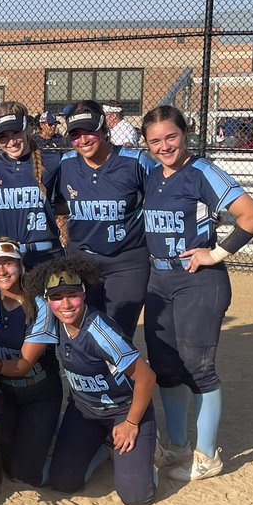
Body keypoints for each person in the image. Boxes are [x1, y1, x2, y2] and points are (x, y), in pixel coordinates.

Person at [140, 105, 253, 482]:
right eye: (155, 141)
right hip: (158, 282)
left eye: (171, 137)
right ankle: (176, 445)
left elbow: (252, 216)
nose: (164, 146)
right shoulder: (151, 174)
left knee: (198, 368)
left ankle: (207, 454)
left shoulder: (202, 171)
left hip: (197, 281)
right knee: (166, 368)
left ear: (186, 133)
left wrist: (215, 253)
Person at [30, 257, 157, 505]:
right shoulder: (53, 321)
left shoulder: (100, 331)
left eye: (73, 295)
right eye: (56, 297)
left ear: (85, 294)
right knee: (64, 482)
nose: (65, 304)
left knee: (136, 497)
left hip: (123, 410)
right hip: (85, 411)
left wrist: (131, 423)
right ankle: (104, 447)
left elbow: (146, 377)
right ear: (47, 300)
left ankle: (145, 452)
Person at [51, 100, 156, 340]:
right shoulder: (66, 164)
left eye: (90, 131)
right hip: (82, 260)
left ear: (104, 129)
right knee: (84, 329)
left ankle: (122, 378)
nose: (83, 140)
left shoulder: (135, 161)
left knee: (117, 334)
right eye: (75, 134)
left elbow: (165, 190)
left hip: (127, 261)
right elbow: (55, 202)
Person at [0, 238, 61, 485]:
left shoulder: (40, 304)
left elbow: (24, 364)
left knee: (26, 473)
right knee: (1, 464)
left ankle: (87, 448)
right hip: (6, 393)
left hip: (39, 392)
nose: (1, 271)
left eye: (8, 263)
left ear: (20, 264)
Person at [0, 101, 63, 269]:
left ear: (28, 129)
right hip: (6, 257)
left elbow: (68, 203)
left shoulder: (53, 162)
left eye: (16, 132)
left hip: (47, 256)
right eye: (3, 136)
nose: (11, 141)